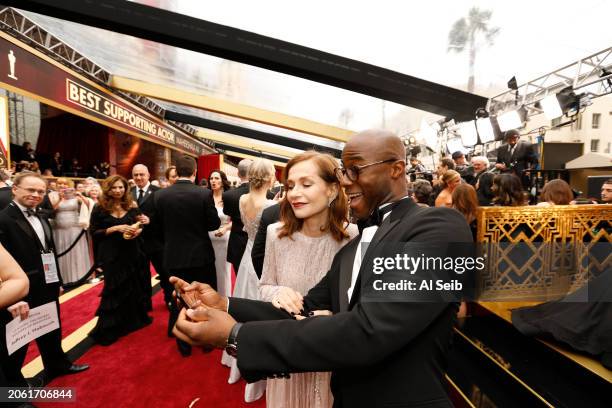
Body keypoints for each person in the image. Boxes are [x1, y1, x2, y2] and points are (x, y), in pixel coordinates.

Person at [171, 129, 473, 408]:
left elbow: (368, 331)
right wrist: (225, 304)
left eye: (356, 170)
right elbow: (301, 308)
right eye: (343, 171)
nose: (345, 181)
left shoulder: (441, 227)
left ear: (396, 169)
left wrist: (236, 336)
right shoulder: (352, 250)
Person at [259, 151, 358, 408]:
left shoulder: (353, 238)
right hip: (287, 352)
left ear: (333, 190)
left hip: (331, 357)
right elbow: (264, 286)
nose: (293, 193)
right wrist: (277, 293)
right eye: (290, 186)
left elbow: (360, 305)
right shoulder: (275, 234)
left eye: (306, 184)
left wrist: (336, 318)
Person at [0, 173, 89, 387]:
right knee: (17, 344)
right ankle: (14, 392)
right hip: (19, 292)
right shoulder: (2, 219)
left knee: (51, 328)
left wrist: (55, 280)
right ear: (15, 189)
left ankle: (58, 364)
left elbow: (48, 251)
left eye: (40, 191)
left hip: (46, 285)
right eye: (30, 190)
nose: (36, 194)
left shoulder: (41, 216)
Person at [153, 155, 220, 356]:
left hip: (174, 256)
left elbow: (156, 230)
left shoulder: (160, 196)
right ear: (194, 172)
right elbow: (213, 224)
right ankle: (206, 341)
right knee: (204, 297)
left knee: (179, 297)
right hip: (201, 256)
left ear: (177, 171)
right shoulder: (203, 194)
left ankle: (183, 343)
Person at [221, 158, 276, 402]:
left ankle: (237, 357)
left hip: (246, 256)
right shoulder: (272, 205)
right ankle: (258, 357)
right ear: (268, 178)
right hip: (263, 259)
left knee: (243, 302)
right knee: (260, 308)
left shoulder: (243, 200)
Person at [88, 175, 152, 345]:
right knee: (113, 289)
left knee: (132, 287)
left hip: (131, 252)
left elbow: (140, 224)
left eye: (121, 188)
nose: (118, 191)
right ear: (108, 189)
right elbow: (93, 232)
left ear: (126, 189)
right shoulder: (99, 207)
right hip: (111, 255)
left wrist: (139, 228)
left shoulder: (131, 206)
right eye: (114, 188)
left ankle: (130, 322)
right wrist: (114, 228)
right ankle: (110, 328)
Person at [130, 164, 164, 310]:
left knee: (164, 273)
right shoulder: (128, 193)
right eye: (136, 175)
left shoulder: (159, 192)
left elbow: (164, 216)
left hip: (156, 241)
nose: (138, 177)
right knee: (140, 276)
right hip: (136, 243)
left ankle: (170, 300)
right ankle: (144, 305)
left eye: (141, 174)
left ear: (149, 175)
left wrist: (151, 220)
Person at [49, 178, 93, 284]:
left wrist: (80, 195)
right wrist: (60, 198)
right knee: (62, 251)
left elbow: (88, 205)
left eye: (65, 183)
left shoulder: (75, 195)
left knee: (77, 251)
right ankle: (64, 278)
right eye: (60, 183)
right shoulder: (52, 195)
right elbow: (51, 210)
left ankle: (81, 276)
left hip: (75, 230)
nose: (62, 185)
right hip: (59, 230)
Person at [222, 159, 252, 273]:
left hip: (236, 242)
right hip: (257, 243)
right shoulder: (268, 194)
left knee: (239, 276)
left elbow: (227, 213)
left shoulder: (228, 195)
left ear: (238, 174)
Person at [208, 169, 233, 297]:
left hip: (224, 241)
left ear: (223, 181)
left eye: (217, 178)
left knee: (223, 272)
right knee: (208, 272)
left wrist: (226, 228)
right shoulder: (206, 197)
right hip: (206, 241)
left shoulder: (228, 198)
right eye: (211, 178)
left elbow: (239, 221)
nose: (213, 181)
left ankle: (224, 300)